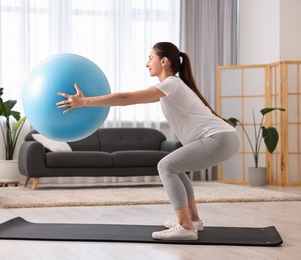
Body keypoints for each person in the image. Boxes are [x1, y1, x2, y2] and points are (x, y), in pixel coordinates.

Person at [56, 42, 240, 240]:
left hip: (218, 138)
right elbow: (128, 99)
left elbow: (126, 98)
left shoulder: (171, 84)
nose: (147, 64)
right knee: (175, 168)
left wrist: (84, 102)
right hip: (222, 138)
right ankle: (192, 220)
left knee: (166, 166)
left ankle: (185, 227)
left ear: (164, 61)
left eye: (150, 58)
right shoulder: (171, 87)